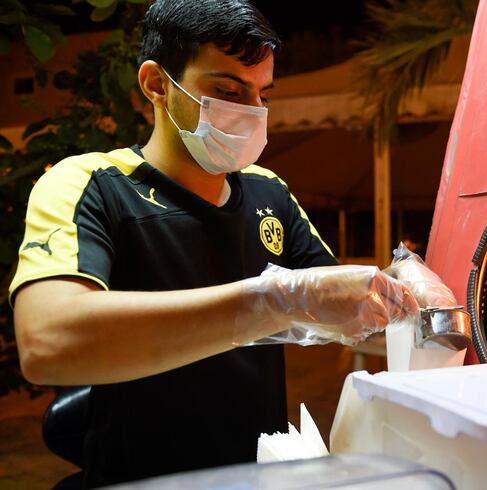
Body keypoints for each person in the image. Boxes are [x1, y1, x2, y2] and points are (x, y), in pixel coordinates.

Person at [9, 0, 419, 486]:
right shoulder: (93, 184)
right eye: (227, 91)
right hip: (139, 475)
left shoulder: (268, 191)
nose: (251, 113)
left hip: (258, 473)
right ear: (157, 84)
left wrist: (405, 276)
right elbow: (46, 341)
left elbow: (345, 306)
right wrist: (269, 301)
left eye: (262, 95)